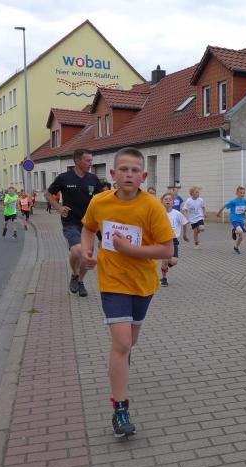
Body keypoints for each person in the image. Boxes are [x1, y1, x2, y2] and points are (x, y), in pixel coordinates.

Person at [80, 147, 174, 438]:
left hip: (143, 284)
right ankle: (120, 410)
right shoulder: (100, 202)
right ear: (113, 174)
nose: (129, 175)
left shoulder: (152, 207)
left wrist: (130, 249)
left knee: (130, 342)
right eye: (123, 170)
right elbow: (88, 228)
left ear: (143, 176)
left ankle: (120, 362)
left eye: (135, 171)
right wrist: (87, 251)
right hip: (112, 282)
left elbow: (167, 250)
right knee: (121, 343)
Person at [46, 149, 101, 297]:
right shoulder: (64, 178)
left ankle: (80, 281)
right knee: (77, 251)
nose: (90, 163)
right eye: (87, 160)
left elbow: (101, 199)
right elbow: (48, 194)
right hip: (70, 222)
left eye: (91, 160)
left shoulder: (93, 179)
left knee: (87, 255)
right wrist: (58, 207)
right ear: (77, 161)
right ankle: (75, 274)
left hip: (88, 224)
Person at [159, 192, 189, 286]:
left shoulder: (177, 214)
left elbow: (185, 223)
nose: (168, 201)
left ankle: (165, 265)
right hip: (163, 240)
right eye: (166, 199)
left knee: (174, 261)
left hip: (173, 240)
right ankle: (164, 278)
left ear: (173, 202)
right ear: (162, 201)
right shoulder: (158, 213)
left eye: (170, 199)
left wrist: (184, 235)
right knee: (165, 260)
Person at [216, 186, 246, 253]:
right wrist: (219, 213)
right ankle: (235, 230)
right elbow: (224, 206)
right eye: (241, 193)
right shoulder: (233, 201)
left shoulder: (245, 201)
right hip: (234, 219)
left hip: (241, 220)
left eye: (243, 193)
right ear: (237, 193)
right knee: (240, 231)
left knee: (241, 237)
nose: (242, 194)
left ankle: (236, 247)